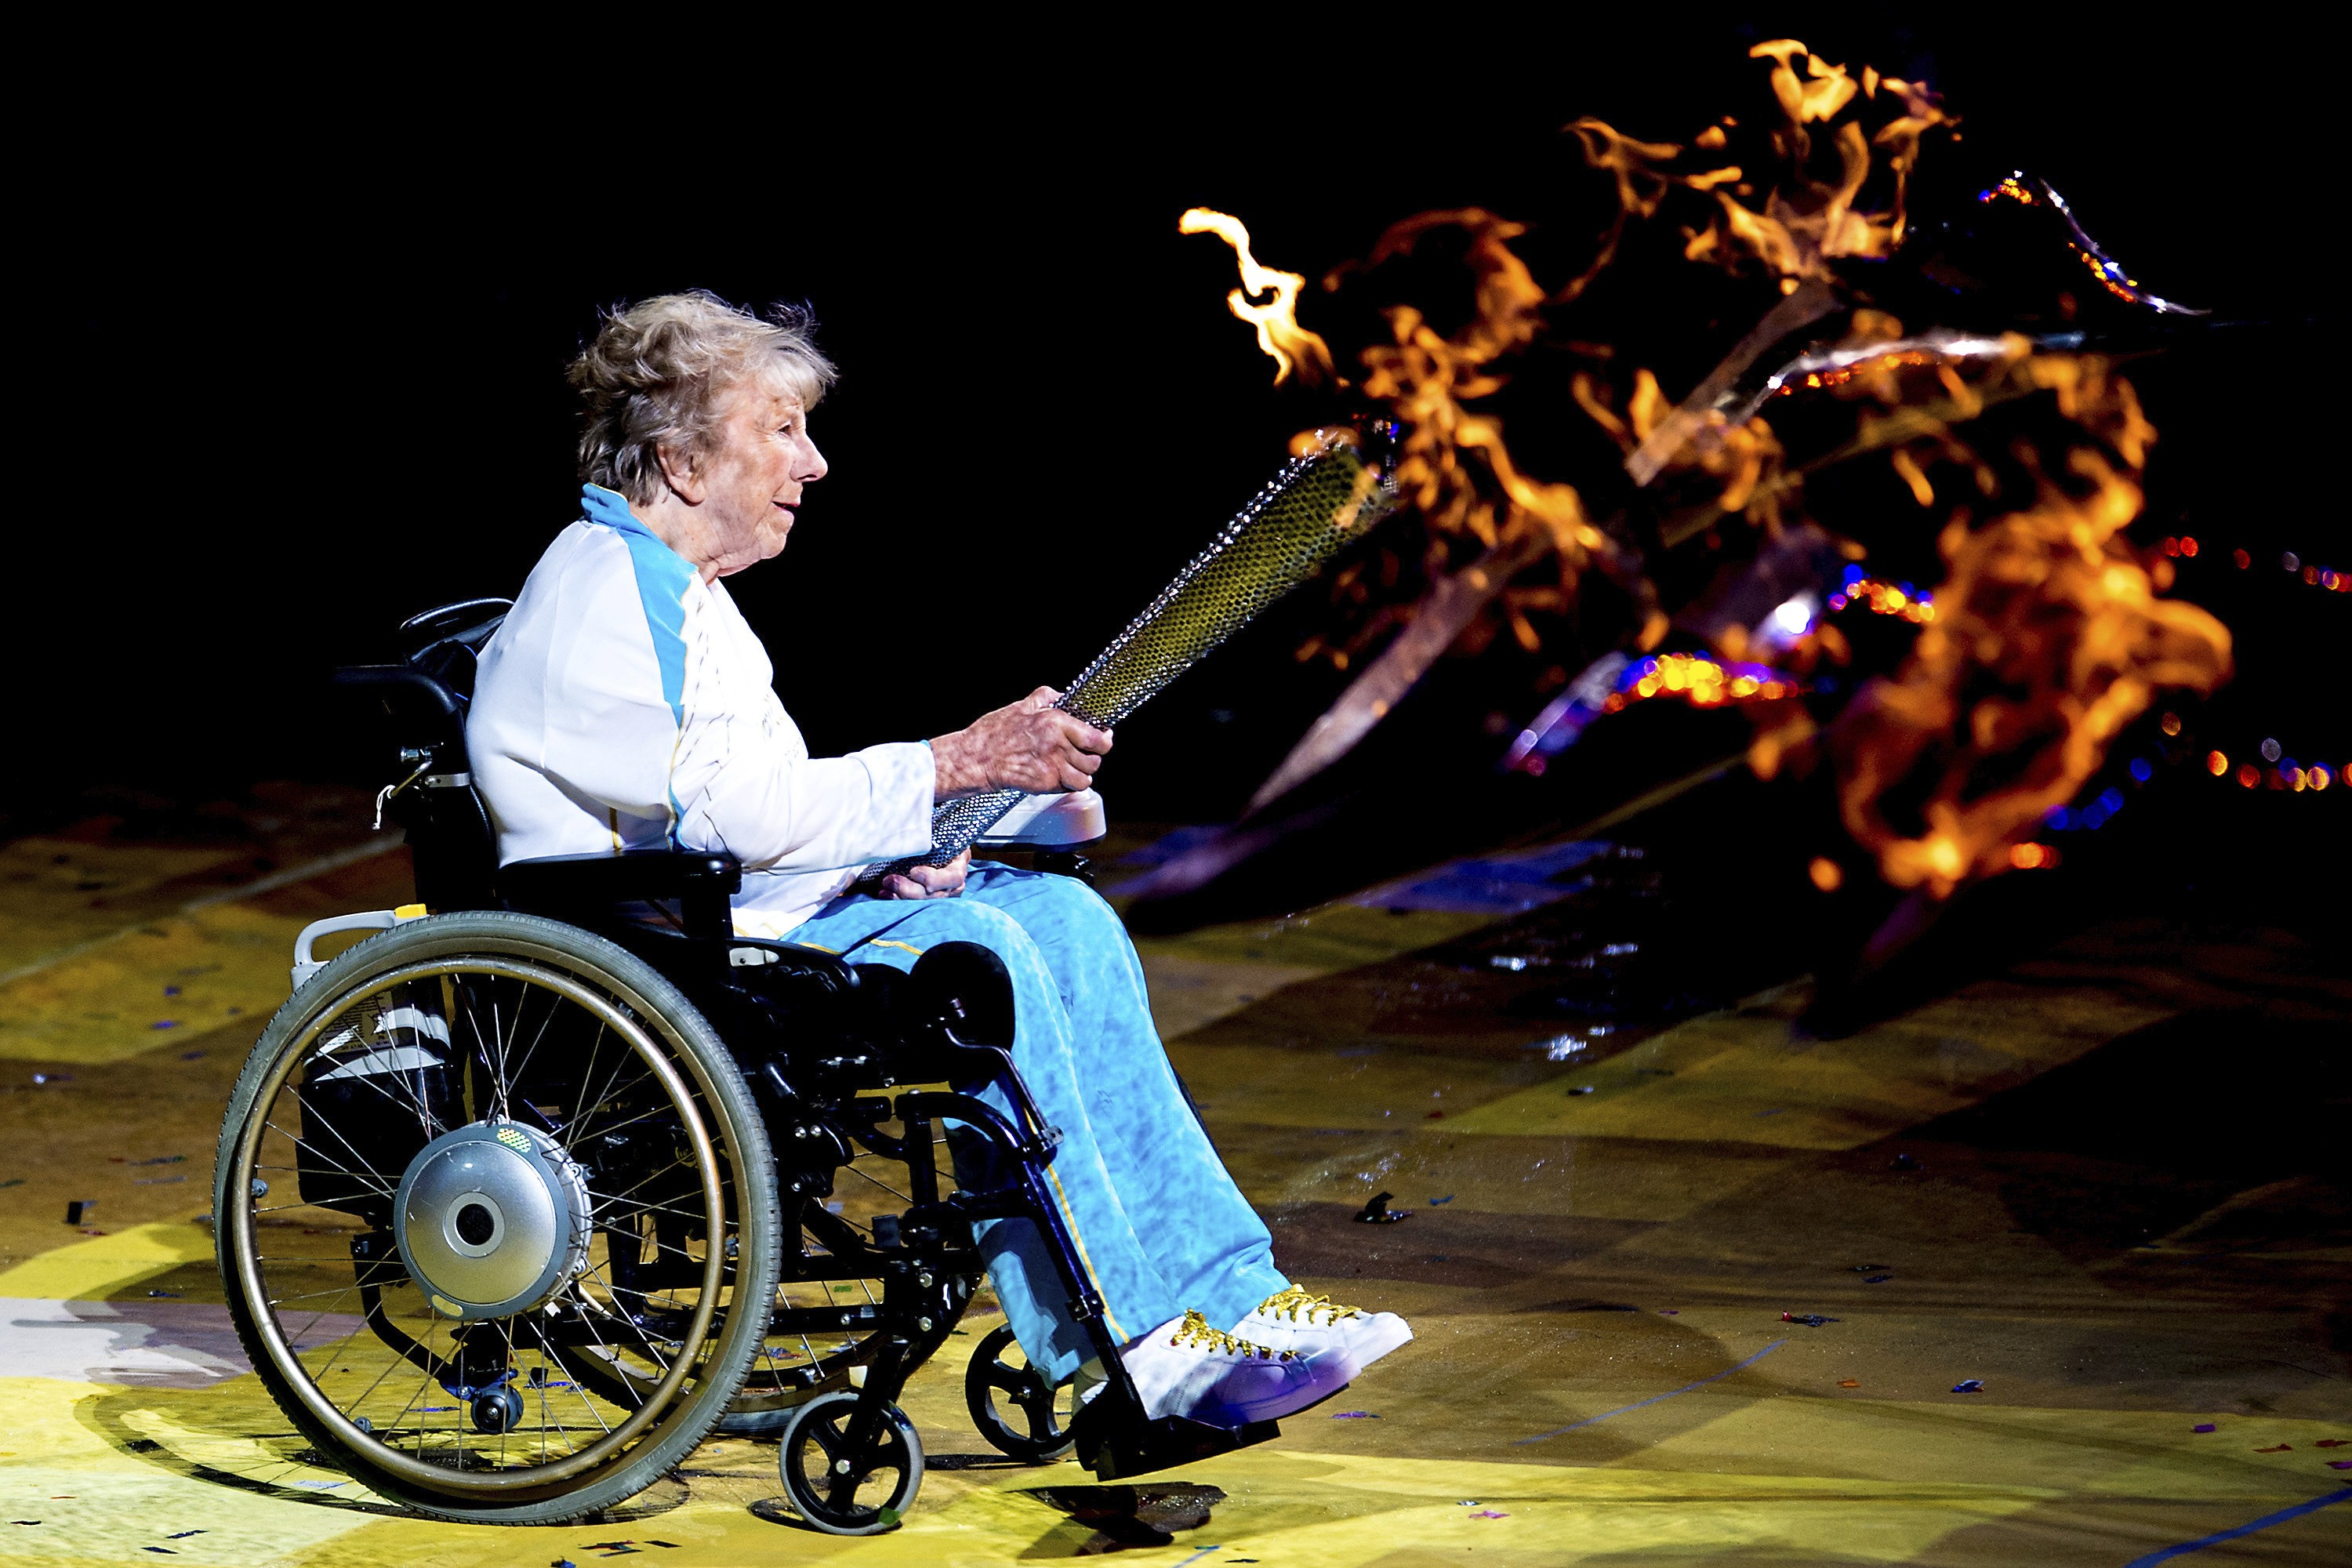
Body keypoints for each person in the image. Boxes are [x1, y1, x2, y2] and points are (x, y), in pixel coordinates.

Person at [466, 291, 1410, 1425]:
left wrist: (877, 854)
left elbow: (732, 821)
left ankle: (1223, 1294)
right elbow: (727, 819)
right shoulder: (614, 594)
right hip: (680, 970)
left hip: (732, 924)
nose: (812, 464)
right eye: (780, 431)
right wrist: (950, 765)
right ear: (678, 460)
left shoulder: (680, 595)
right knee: (1000, 948)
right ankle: (1144, 1340)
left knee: (1068, 922)